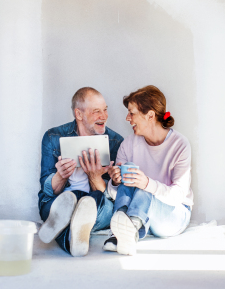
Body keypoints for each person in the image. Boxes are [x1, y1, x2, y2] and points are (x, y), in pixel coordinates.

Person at [103, 85, 193, 256]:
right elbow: (118, 193)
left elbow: (177, 196)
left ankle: (127, 231)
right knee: (127, 170)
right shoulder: (128, 144)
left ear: (150, 115)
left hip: (173, 215)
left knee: (144, 189)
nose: (127, 118)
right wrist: (115, 182)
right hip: (138, 211)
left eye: (132, 113)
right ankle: (121, 230)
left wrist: (147, 184)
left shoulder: (180, 144)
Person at [37, 87, 123, 257]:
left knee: (92, 200)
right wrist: (60, 176)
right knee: (67, 198)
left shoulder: (115, 142)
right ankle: (75, 229)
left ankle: (66, 234)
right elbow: (47, 189)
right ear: (79, 114)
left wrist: (94, 176)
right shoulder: (53, 137)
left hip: (96, 205)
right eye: (96, 111)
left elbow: (111, 195)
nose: (104, 116)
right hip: (60, 200)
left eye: (105, 110)